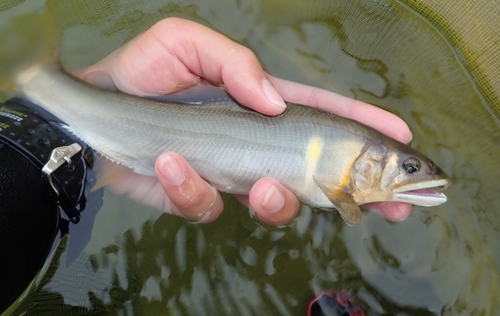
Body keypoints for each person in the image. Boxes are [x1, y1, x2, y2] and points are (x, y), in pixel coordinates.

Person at [74, 17, 413, 225]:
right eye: (409, 168)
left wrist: (41, 133)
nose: (410, 174)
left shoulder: (348, 184)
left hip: (75, 135)